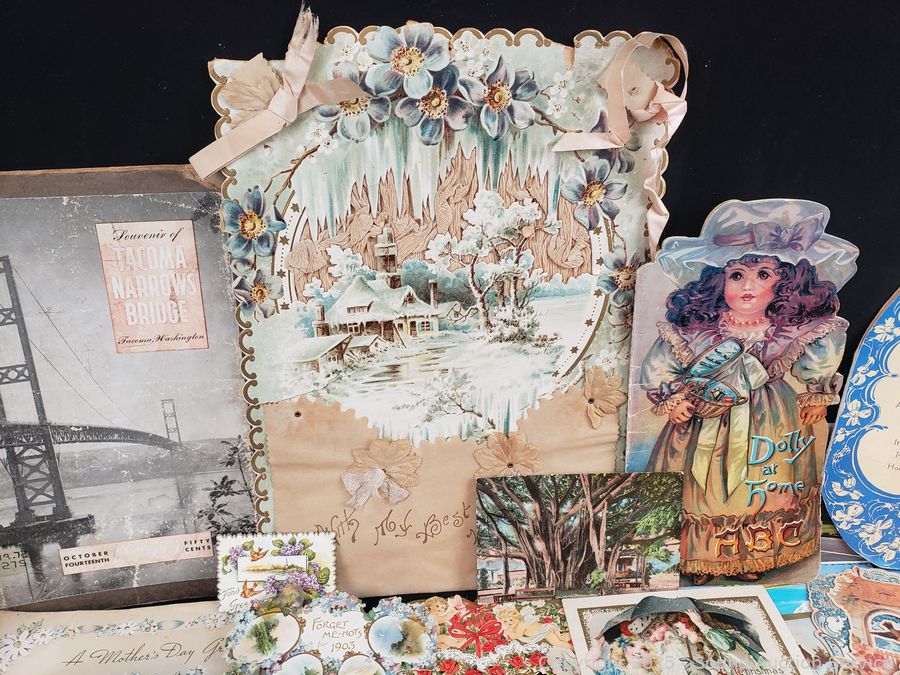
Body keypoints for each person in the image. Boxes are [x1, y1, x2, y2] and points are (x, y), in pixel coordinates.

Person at [639, 200, 857, 583]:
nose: (748, 285)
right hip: (703, 417)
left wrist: (816, 395)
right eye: (736, 275)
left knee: (761, 484)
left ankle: (747, 555)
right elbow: (662, 364)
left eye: (763, 274)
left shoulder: (790, 331)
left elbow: (817, 362)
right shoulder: (698, 329)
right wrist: (674, 398)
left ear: (785, 283)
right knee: (700, 486)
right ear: (717, 281)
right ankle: (699, 556)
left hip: (770, 420)